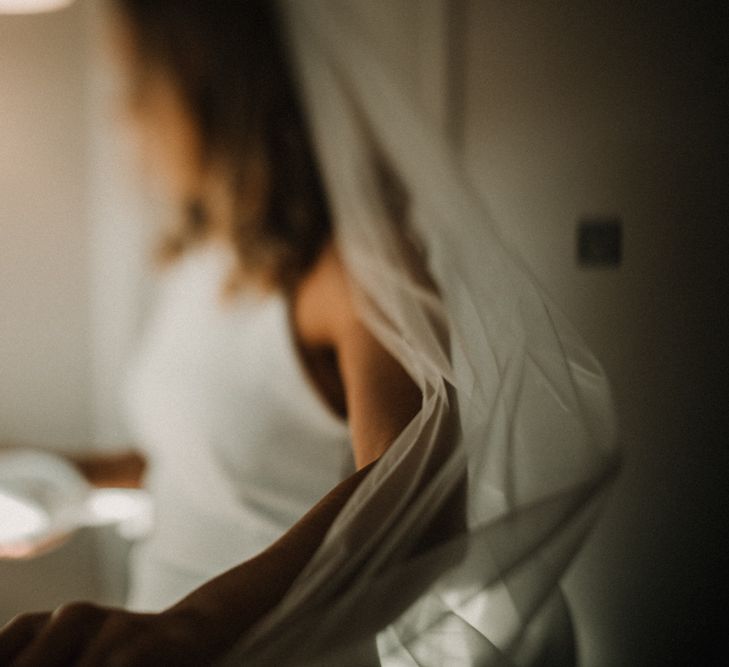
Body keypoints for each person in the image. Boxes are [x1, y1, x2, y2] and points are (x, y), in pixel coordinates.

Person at [0, 1, 618, 665]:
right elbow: (211, 469)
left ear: (210, 85)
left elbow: (425, 501)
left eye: (134, 88)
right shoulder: (206, 261)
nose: (122, 118)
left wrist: (188, 629)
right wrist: (52, 476)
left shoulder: (354, 265)